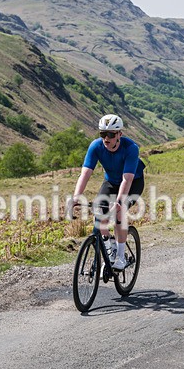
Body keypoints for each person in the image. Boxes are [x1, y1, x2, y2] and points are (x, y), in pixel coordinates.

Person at [69, 114, 145, 270]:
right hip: (111, 182)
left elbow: (127, 179)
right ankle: (110, 246)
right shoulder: (95, 146)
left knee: (119, 212)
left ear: (119, 135)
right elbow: (85, 173)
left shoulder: (131, 148)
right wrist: (76, 196)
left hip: (133, 183)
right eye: (103, 134)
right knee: (100, 216)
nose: (106, 138)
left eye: (111, 134)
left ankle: (121, 258)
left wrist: (118, 202)